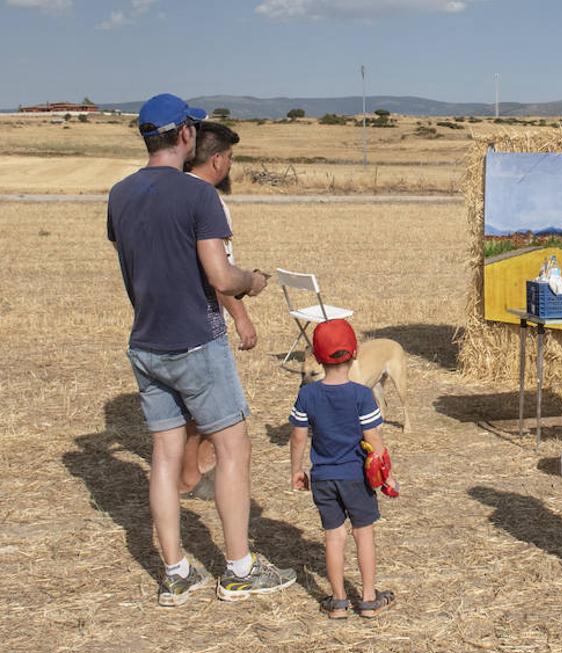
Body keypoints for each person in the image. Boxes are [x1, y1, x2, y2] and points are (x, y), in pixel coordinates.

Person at [108, 92, 295, 606]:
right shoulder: (198, 197)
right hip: (195, 340)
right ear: (186, 135)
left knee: (165, 456)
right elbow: (218, 274)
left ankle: (175, 572)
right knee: (234, 447)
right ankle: (239, 568)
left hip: (145, 342)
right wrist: (251, 282)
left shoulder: (119, 194)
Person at [289, 319, 397, 619]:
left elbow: (298, 436)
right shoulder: (362, 396)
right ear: (354, 354)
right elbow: (373, 439)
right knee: (364, 534)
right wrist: (386, 473)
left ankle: (337, 602)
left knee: (333, 537)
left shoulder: (307, 395)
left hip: (323, 477)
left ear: (318, 358)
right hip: (356, 478)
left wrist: (297, 469)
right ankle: (369, 598)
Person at [178, 121, 256, 500]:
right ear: (219, 160)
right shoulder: (208, 201)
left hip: (164, 324)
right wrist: (242, 314)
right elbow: (219, 274)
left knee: (186, 412)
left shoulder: (169, 192)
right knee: (224, 421)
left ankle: (190, 471)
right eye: (231, 158)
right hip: (204, 324)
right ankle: (195, 475)